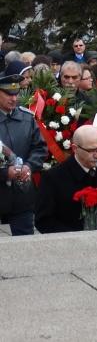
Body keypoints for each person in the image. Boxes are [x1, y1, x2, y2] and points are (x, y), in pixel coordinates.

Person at [35, 125, 97, 233]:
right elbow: (43, 221)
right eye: (91, 150)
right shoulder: (53, 177)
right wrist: (75, 239)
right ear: (75, 149)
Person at [0, 74, 47, 235]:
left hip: (21, 194)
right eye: (8, 94)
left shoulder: (27, 118)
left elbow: (40, 148)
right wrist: (5, 173)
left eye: (16, 94)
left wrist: (29, 166)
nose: (14, 98)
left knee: (26, 242)